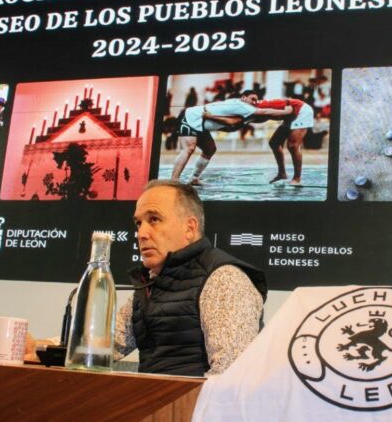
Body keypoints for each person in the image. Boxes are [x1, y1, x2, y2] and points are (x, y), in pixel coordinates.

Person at [118, 180, 266, 376]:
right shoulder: (151, 282)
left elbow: (232, 376)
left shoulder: (224, 279)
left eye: (154, 219)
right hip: (152, 402)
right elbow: (99, 348)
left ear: (190, 228)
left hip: (193, 406)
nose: (141, 233)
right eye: (139, 223)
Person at [171, 91, 292, 185]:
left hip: (202, 123)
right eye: (252, 99)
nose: (254, 102)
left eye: (256, 100)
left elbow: (231, 122)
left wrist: (213, 118)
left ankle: (194, 178)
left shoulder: (242, 110)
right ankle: (174, 180)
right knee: (189, 149)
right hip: (191, 117)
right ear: (243, 98)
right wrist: (285, 113)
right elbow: (264, 112)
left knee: (210, 149)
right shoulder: (243, 106)